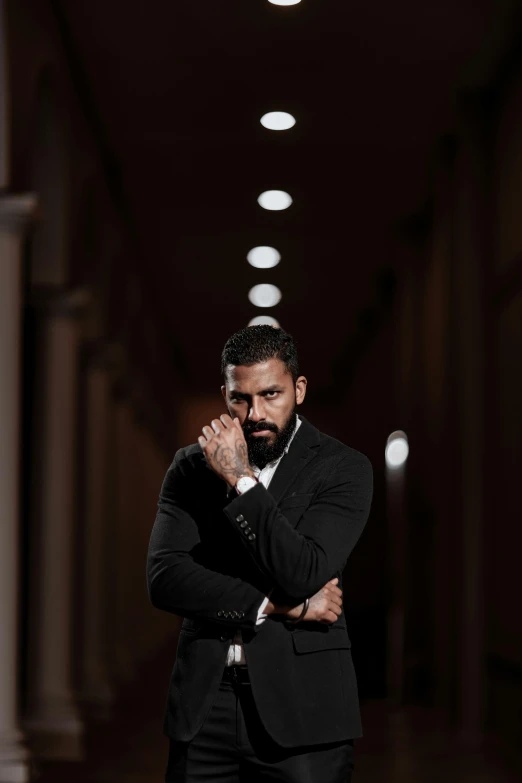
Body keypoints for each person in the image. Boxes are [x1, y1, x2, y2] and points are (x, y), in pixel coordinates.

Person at [147, 324, 373, 782]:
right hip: (204, 711)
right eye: (240, 399)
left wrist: (240, 480)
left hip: (305, 715)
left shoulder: (343, 468)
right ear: (225, 394)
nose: (255, 414)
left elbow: (304, 571)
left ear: (299, 389)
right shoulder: (189, 468)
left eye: (271, 394)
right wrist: (277, 606)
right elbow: (166, 577)